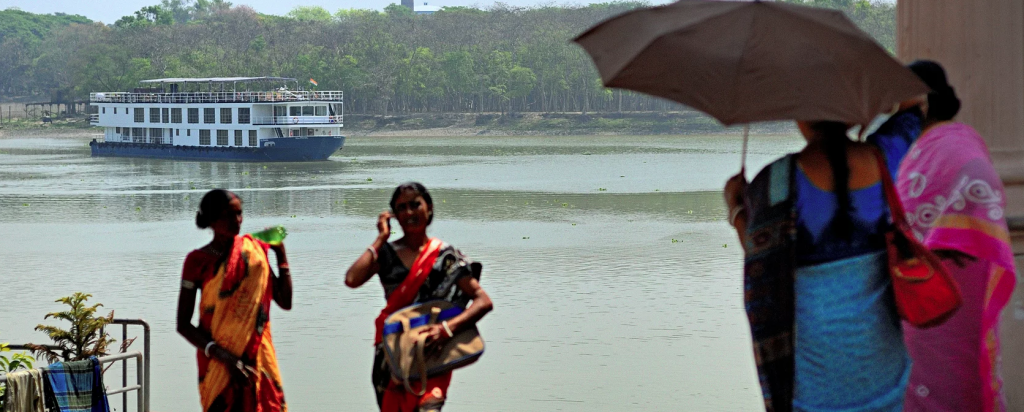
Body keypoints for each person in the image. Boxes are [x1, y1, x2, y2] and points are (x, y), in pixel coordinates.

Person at [724, 121, 910, 412]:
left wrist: (736, 208)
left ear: (801, 117)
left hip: (814, 383)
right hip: (886, 369)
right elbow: (911, 114)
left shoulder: (776, 181)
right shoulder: (882, 159)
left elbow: (761, 262)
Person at [894, 60, 1017, 412]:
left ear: (923, 104)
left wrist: (947, 243)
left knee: (957, 379)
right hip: (917, 294)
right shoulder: (916, 149)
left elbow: (981, 185)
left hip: (955, 289)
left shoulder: (955, 146)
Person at [345, 182, 493, 412]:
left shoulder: (446, 257)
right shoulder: (386, 254)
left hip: (434, 351)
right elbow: (352, 279)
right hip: (393, 354)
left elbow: (483, 301)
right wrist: (380, 238)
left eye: (415, 205)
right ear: (394, 215)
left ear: (429, 208)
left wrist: (446, 330)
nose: (409, 212)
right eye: (402, 208)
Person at [176, 189, 292, 412]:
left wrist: (281, 255)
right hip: (217, 362)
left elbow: (285, 302)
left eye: (239, 214)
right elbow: (182, 324)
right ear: (211, 219)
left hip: (259, 358)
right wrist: (223, 356)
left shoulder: (254, 253)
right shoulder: (197, 261)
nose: (236, 221)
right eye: (228, 215)